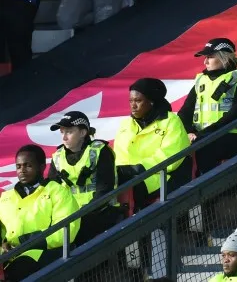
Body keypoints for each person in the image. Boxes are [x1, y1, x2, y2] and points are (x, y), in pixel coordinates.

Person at [177, 37, 237, 174]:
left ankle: (207, 191)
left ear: (224, 57)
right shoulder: (201, 80)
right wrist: (190, 131)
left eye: (210, 56)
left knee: (204, 148)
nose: (205, 61)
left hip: (234, 135)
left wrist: (205, 134)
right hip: (202, 137)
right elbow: (185, 112)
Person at [0, 145, 79, 280]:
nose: (22, 171)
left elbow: (66, 231)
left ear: (42, 167)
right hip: (9, 255)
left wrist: (25, 242)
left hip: (44, 252)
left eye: (28, 165)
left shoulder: (58, 192)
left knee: (17, 271)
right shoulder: (6, 197)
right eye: (18, 166)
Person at [114, 77, 190, 206]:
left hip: (160, 177)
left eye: (138, 100)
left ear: (152, 101)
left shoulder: (171, 121)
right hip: (129, 177)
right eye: (130, 100)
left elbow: (170, 156)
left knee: (128, 189)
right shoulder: (125, 123)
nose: (133, 105)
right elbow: (119, 155)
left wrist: (136, 169)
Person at [46, 111, 119, 243]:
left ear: (82, 133)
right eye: (62, 132)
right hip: (69, 215)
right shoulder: (57, 156)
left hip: (101, 212)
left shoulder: (100, 151)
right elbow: (50, 192)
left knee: (76, 236)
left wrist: (79, 215)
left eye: (69, 132)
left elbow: (104, 191)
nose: (64, 138)